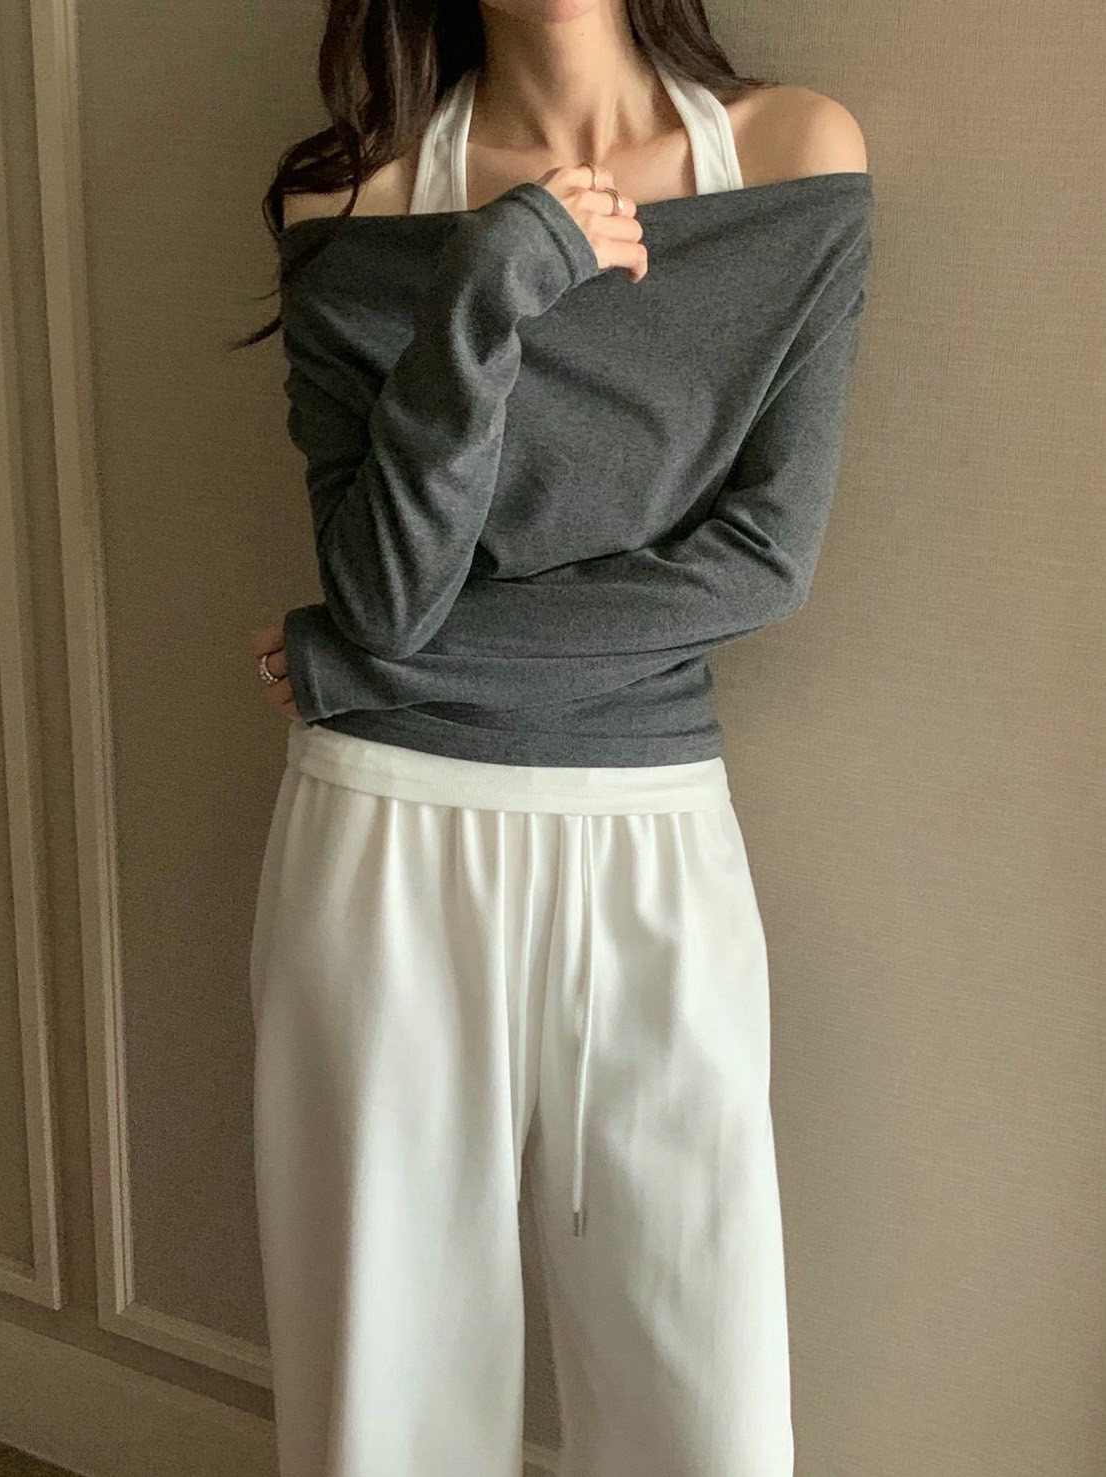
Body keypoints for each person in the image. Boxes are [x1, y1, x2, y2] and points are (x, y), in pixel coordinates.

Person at [236, 3, 871, 1473]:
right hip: (384, 834)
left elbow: (759, 565)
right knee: (383, 1415)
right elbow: (390, 590)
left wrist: (344, 663)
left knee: (703, 1418)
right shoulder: (350, 200)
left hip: (652, 839)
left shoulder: (795, 158)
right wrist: (484, 294)